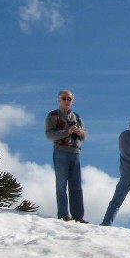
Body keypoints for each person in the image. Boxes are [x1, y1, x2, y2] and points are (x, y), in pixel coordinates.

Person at [45, 90, 88, 222]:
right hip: (61, 151)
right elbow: (49, 134)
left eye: (69, 99)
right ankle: (63, 214)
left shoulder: (77, 117)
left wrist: (79, 132)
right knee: (61, 183)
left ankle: (78, 216)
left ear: (72, 101)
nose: (66, 101)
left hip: (75, 152)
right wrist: (67, 132)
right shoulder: (53, 115)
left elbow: (85, 135)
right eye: (64, 98)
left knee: (76, 185)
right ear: (59, 100)